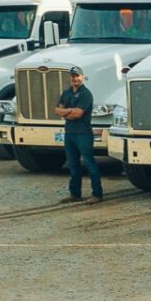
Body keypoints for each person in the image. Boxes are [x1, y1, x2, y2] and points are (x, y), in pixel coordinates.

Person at [55, 67, 102, 203]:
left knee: (89, 163)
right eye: (73, 76)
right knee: (73, 164)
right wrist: (70, 111)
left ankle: (97, 194)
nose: (75, 79)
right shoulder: (66, 93)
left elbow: (78, 114)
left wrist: (67, 112)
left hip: (83, 133)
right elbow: (57, 111)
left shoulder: (86, 94)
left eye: (77, 76)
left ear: (82, 77)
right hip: (69, 133)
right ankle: (75, 194)